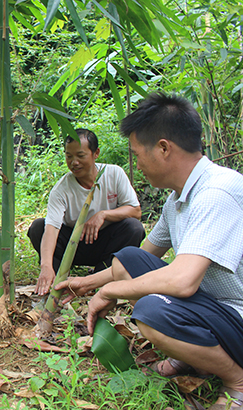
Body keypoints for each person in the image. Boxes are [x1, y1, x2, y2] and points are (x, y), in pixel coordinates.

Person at [56, 92, 243, 410]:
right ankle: (192, 357)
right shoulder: (179, 198)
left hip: (236, 312)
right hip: (215, 307)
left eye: (137, 154)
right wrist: (87, 284)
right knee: (129, 258)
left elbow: (183, 281)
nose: (137, 164)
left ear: (164, 148)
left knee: (151, 314)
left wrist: (113, 290)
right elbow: (142, 257)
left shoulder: (217, 192)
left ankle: (236, 382)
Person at [28, 128, 145, 295]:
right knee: (38, 227)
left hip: (105, 243)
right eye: (69, 156)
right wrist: (45, 266)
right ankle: (55, 277)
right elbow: (52, 228)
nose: (74, 162)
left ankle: (102, 275)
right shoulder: (61, 189)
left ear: (95, 153)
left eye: (80, 156)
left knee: (134, 228)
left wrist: (104, 215)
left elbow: (135, 211)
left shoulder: (114, 174)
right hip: (73, 247)